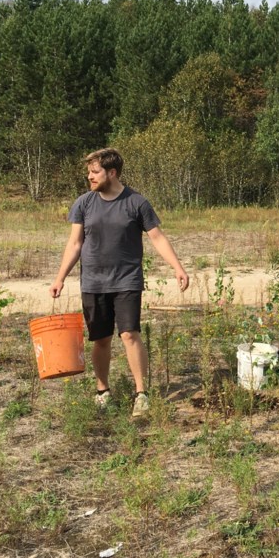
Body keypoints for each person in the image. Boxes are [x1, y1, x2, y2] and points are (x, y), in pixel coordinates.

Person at [49, 148, 190, 417]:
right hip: (93, 282)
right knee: (100, 339)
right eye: (89, 171)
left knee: (129, 334)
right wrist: (60, 278)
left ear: (111, 173)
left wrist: (178, 268)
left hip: (127, 280)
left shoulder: (137, 203)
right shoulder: (84, 203)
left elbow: (157, 237)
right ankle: (103, 392)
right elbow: (75, 243)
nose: (89, 177)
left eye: (95, 172)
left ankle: (142, 394)